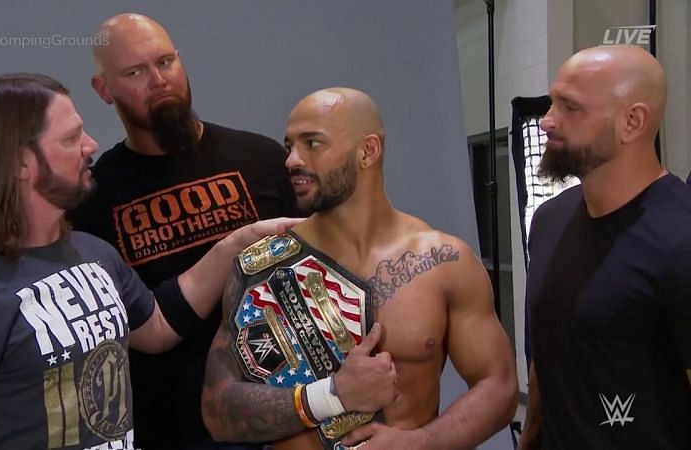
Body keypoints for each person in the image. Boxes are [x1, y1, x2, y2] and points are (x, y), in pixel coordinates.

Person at [0, 73, 300, 450]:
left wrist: (239, 242)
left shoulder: (93, 253)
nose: (91, 145)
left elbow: (156, 327)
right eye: (71, 139)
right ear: (20, 163)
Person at [201, 87, 518, 449]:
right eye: (289, 145)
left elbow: (500, 386)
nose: (291, 160)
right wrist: (332, 395)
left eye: (312, 143)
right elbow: (217, 410)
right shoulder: (263, 265)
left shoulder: (443, 261)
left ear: (367, 151)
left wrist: (419, 444)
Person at [66, 13, 299, 450]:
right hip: (172, 427)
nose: (158, 80)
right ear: (104, 90)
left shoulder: (261, 158)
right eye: (135, 72)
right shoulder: (93, 201)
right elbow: (124, 328)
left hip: (285, 411)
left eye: (166, 61)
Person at [517, 46, 691, 450]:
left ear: (632, 122)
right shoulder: (549, 221)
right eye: (551, 104)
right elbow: (551, 348)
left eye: (569, 108)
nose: (547, 121)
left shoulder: (681, 238)